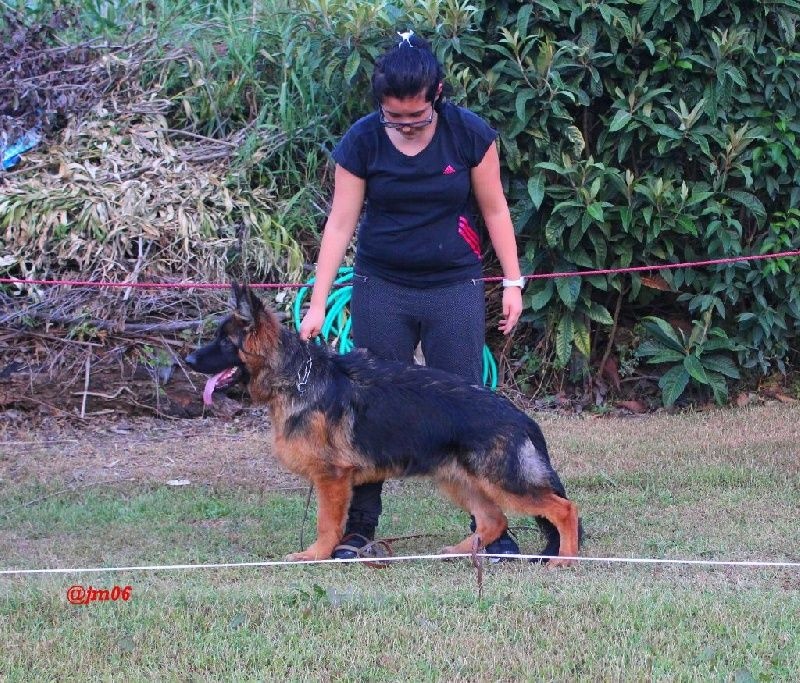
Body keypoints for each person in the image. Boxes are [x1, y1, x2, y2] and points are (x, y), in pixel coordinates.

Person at [299, 30, 524, 560]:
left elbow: (495, 211)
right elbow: (340, 224)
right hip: (383, 287)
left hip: (454, 286)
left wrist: (512, 281)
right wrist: (317, 302)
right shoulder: (362, 141)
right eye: (393, 116)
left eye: (416, 117)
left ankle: (492, 531)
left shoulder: (469, 135)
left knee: (464, 406)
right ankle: (358, 532)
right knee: (365, 408)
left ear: (438, 95)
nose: (404, 124)